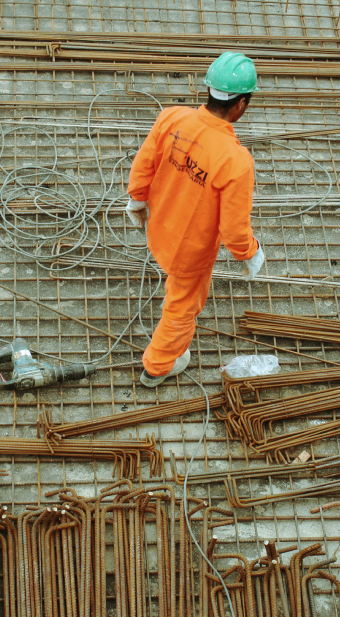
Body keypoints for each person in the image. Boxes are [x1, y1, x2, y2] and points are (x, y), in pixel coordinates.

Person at [125, 52, 266, 388]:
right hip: (189, 251)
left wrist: (137, 199)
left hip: (159, 227)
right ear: (241, 105)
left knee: (175, 290)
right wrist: (250, 252)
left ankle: (162, 357)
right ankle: (157, 366)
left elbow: (143, 164)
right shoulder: (236, 161)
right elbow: (233, 230)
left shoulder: (172, 118)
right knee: (181, 308)